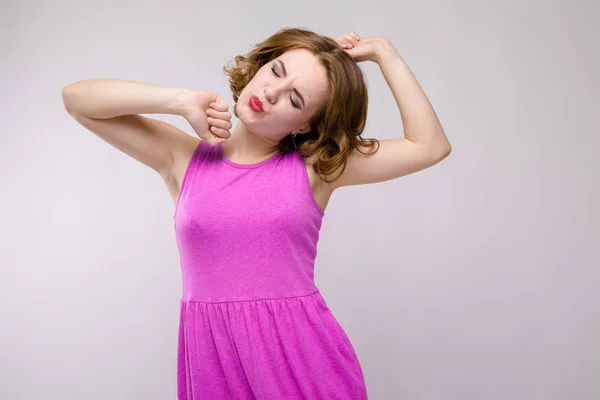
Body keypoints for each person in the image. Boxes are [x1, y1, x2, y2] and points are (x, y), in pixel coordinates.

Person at [62, 27, 451, 400]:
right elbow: (77, 99)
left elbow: (430, 145)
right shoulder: (183, 158)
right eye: (276, 71)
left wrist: (384, 53)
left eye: (294, 99)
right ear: (263, 63)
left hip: (302, 364)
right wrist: (180, 101)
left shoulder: (318, 166)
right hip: (213, 359)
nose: (269, 93)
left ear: (307, 123)